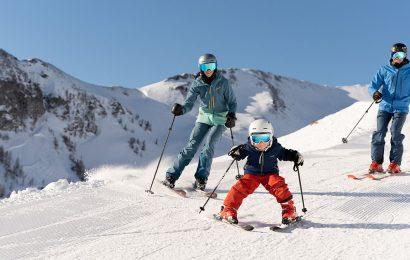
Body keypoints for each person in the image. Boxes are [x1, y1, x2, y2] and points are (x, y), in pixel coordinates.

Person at [163, 54, 237, 190]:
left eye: (211, 66)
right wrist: (181, 110)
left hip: (220, 118)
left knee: (209, 145)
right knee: (192, 146)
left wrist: (232, 115)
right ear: (200, 68)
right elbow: (189, 103)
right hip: (204, 117)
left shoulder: (223, 83)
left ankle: (201, 179)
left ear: (215, 66)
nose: (208, 70)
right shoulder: (197, 83)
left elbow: (232, 102)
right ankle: (171, 176)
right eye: (205, 67)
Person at [216, 119, 304, 225]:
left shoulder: (275, 148)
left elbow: (284, 153)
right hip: (252, 174)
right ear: (251, 138)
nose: (261, 143)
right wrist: (236, 152)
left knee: (279, 186)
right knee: (240, 187)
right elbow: (241, 152)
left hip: (270, 174)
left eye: (265, 138)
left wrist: (294, 156)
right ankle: (228, 210)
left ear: (271, 137)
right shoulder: (248, 147)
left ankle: (289, 211)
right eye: (256, 139)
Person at [368, 43, 410, 174]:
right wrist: (375, 93)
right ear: (392, 55)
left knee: (395, 133)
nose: (399, 58)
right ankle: (376, 163)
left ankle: (395, 164)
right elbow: (373, 85)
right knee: (379, 134)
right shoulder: (384, 69)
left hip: (401, 107)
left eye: (402, 55)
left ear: (405, 56)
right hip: (385, 106)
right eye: (396, 55)